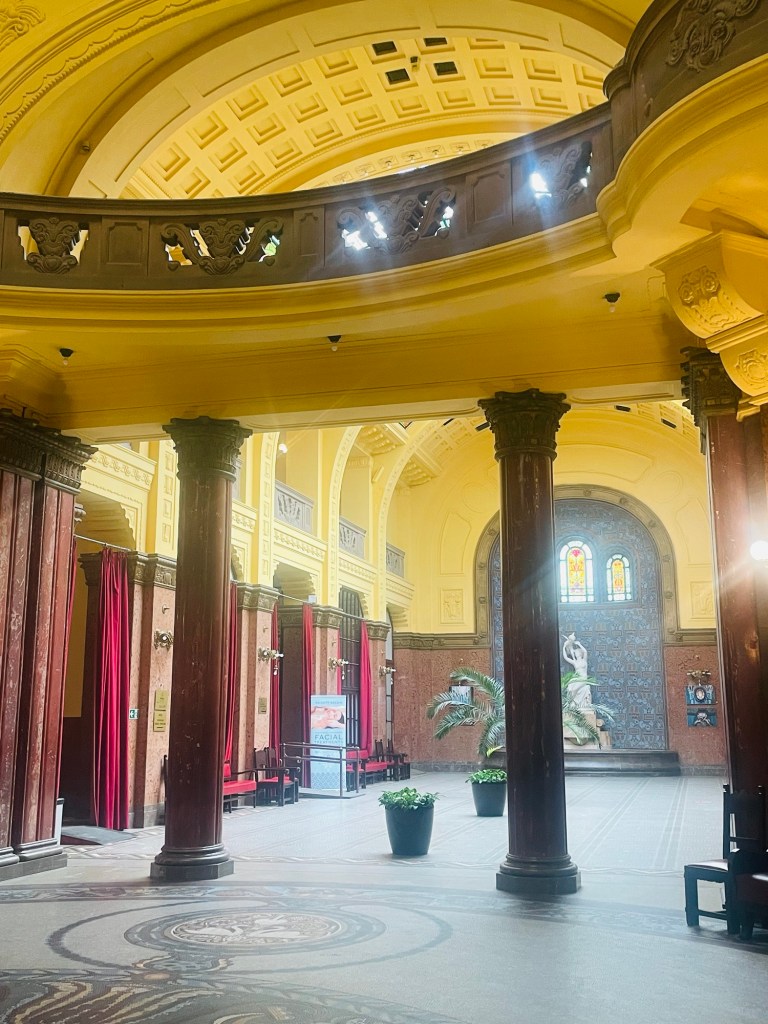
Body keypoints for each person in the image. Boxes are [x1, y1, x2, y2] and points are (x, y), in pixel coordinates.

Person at [562, 633, 593, 709]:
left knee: (574, 689)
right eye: (575, 653)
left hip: (583, 678)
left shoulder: (584, 660)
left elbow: (585, 652)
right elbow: (566, 657)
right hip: (576, 678)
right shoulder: (575, 662)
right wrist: (564, 646)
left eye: (578, 652)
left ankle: (574, 703)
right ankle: (572, 704)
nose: (576, 654)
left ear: (581, 653)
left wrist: (579, 644)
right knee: (570, 688)